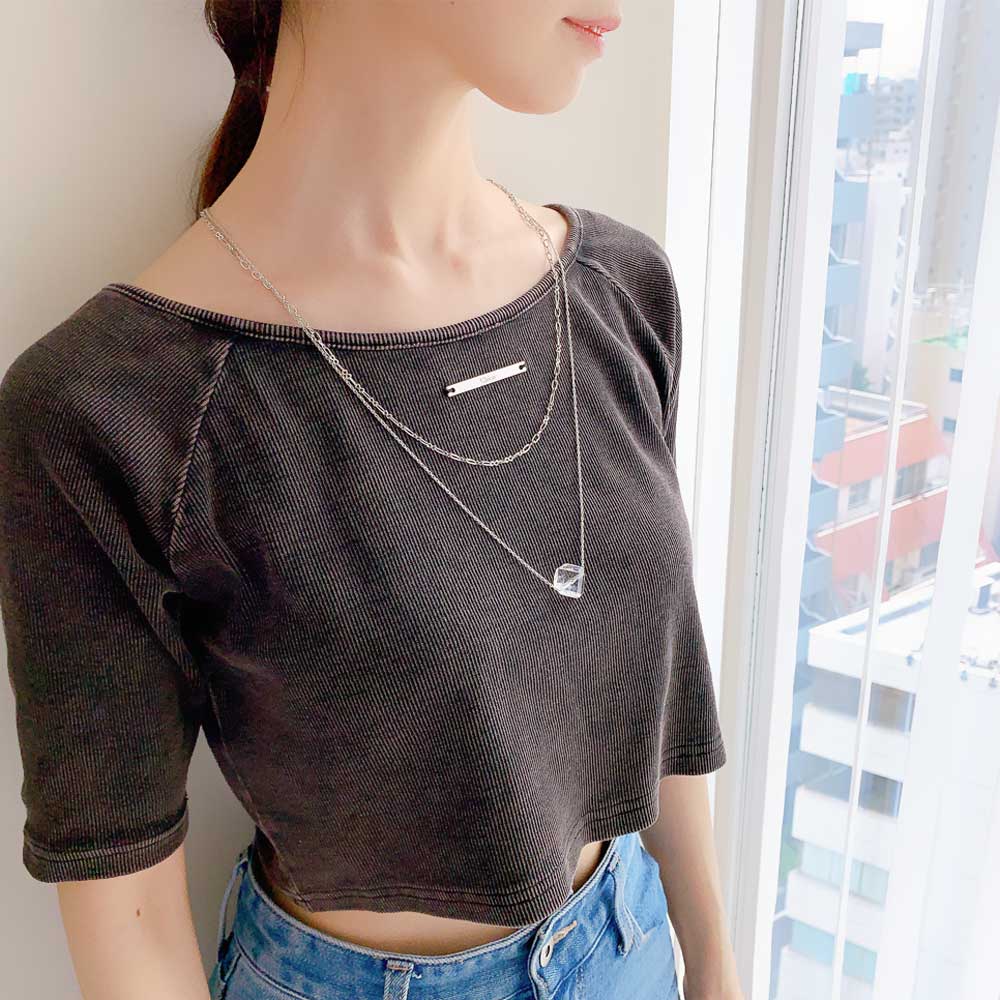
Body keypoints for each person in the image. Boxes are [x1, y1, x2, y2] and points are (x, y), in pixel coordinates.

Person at [0, 2, 743, 998]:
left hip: (627, 944)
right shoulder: (110, 410)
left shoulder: (618, 289)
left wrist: (715, 959)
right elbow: (126, 916)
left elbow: (663, 690)